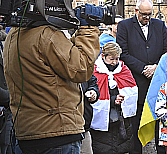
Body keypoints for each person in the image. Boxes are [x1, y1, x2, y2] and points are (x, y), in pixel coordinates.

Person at [4, 16, 100, 152]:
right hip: (57, 131)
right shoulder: (46, 35)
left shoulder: (14, 34)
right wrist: (88, 28)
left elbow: (62, 59)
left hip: (27, 131)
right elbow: (80, 69)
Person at [117, 0, 167, 154]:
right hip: (136, 84)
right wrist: (143, 68)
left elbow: (166, 50)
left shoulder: (159, 25)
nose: (147, 17)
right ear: (136, 11)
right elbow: (123, 53)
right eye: (143, 14)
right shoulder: (125, 26)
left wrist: (156, 67)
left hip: (157, 85)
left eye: (149, 14)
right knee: (136, 128)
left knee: (159, 125)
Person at [91, 42, 138, 154]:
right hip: (102, 121)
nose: (114, 62)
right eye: (111, 59)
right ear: (103, 56)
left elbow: (132, 90)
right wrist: (112, 100)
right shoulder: (95, 71)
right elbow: (94, 94)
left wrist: (123, 98)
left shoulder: (123, 69)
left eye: (117, 59)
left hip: (121, 119)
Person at [81, 75, 99, 154]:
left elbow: (92, 81)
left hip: (84, 125)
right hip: (64, 128)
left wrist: (93, 91)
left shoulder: (81, 65)